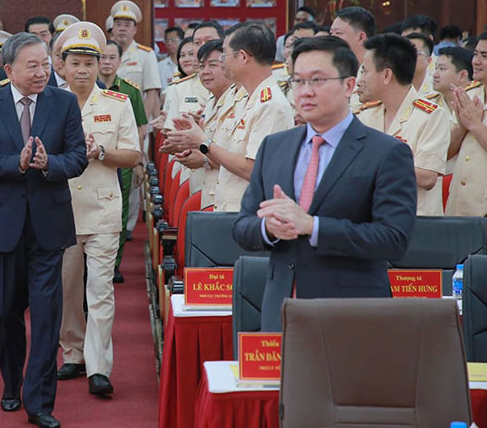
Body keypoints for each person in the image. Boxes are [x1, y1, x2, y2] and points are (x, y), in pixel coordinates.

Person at [233, 35, 417, 331]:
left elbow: (394, 239)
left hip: (352, 317)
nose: (305, 92)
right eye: (298, 81)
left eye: (317, 81)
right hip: (281, 311)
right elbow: (242, 225)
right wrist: (269, 229)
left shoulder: (385, 152)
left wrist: (313, 226)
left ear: (348, 85)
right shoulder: (274, 147)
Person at [0, 32, 88, 428]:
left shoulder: (64, 103)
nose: (42, 72)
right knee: (4, 314)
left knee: (48, 314)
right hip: (2, 225)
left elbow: (78, 158)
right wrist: (14, 165)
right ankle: (11, 382)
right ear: (9, 70)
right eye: (32, 65)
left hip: (49, 225)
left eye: (45, 64)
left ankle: (40, 403)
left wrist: (49, 163)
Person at [54, 22, 139, 397]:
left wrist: (100, 152)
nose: (84, 69)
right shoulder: (50, 103)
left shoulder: (116, 104)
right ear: (63, 65)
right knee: (67, 288)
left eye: (91, 61)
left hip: (104, 210)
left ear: (101, 64)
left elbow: (133, 154)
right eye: (76, 62)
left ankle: (99, 367)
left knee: (100, 290)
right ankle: (73, 353)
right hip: (62, 208)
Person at [163, 21, 294, 211]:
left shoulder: (270, 104)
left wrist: (204, 144)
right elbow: (230, 154)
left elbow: (253, 169)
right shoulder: (249, 98)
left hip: (249, 213)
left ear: (242, 57)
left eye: (225, 54)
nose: (222, 61)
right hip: (228, 207)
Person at [355, 33, 451, 216]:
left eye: (365, 71)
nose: (360, 80)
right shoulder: (365, 114)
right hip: (371, 222)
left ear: (386, 75)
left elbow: (427, 177)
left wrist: (373, 166)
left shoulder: (432, 115)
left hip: (416, 225)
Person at [97, 40, 148, 283]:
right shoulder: (86, 88)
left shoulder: (130, 90)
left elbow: (140, 130)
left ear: (119, 61)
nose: (106, 62)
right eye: (102, 57)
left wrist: (138, 163)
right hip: (92, 161)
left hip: (122, 160)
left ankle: (114, 263)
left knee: (119, 210)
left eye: (111, 58)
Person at [171, 40, 234, 207]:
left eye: (212, 65)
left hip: (229, 199)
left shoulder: (238, 102)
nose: (205, 72)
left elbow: (238, 161)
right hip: (208, 191)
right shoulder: (212, 102)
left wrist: (203, 159)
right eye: (201, 67)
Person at [445, 32, 487, 216]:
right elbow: (446, 153)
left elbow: (475, 126)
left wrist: (475, 126)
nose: (476, 61)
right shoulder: (469, 94)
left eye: (484, 56)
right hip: (460, 204)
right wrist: (462, 126)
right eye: (476, 54)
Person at [111, 0, 161, 119]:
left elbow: (152, 92)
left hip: (135, 119)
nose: (122, 28)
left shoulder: (146, 55)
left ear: (135, 30)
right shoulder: (104, 53)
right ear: (113, 28)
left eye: (127, 25)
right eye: (118, 24)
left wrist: (141, 123)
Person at [330, 6, 375, 111]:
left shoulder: (377, 73)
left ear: (361, 37)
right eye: (331, 33)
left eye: (338, 33)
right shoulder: (335, 71)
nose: (332, 38)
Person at [426, 45, 473, 113]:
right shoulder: (429, 104)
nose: (435, 75)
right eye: (436, 68)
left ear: (462, 75)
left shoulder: (477, 102)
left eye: (442, 69)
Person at [158, 27, 183, 92]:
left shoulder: (187, 64)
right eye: (167, 40)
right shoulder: (160, 66)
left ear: (182, 41)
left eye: (173, 40)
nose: (169, 43)